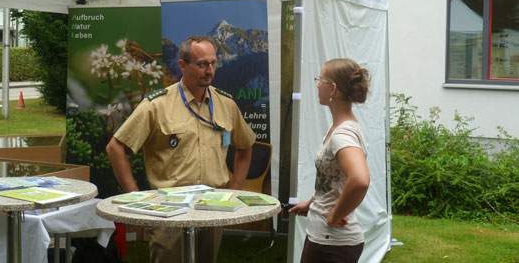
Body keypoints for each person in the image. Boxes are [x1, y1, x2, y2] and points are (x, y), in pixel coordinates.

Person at [106, 35, 255, 263]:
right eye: (202, 64)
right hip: (169, 211)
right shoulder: (158, 105)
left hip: (213, 208)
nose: (210, 70)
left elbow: (245, 147)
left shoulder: (226, 104)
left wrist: (235, 190)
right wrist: (136, 197)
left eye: (214, 63)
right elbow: (115, 148)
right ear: (183, 65)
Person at [289, 58, 371, 263]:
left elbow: (360, 179)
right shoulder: (340, 128)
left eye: (320, 79)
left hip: (331, 242)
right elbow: (336, 181)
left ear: (332, 88)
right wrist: (312, 203)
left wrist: (334, 215)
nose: (317, 85)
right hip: (326, 238)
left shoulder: (342, 135)